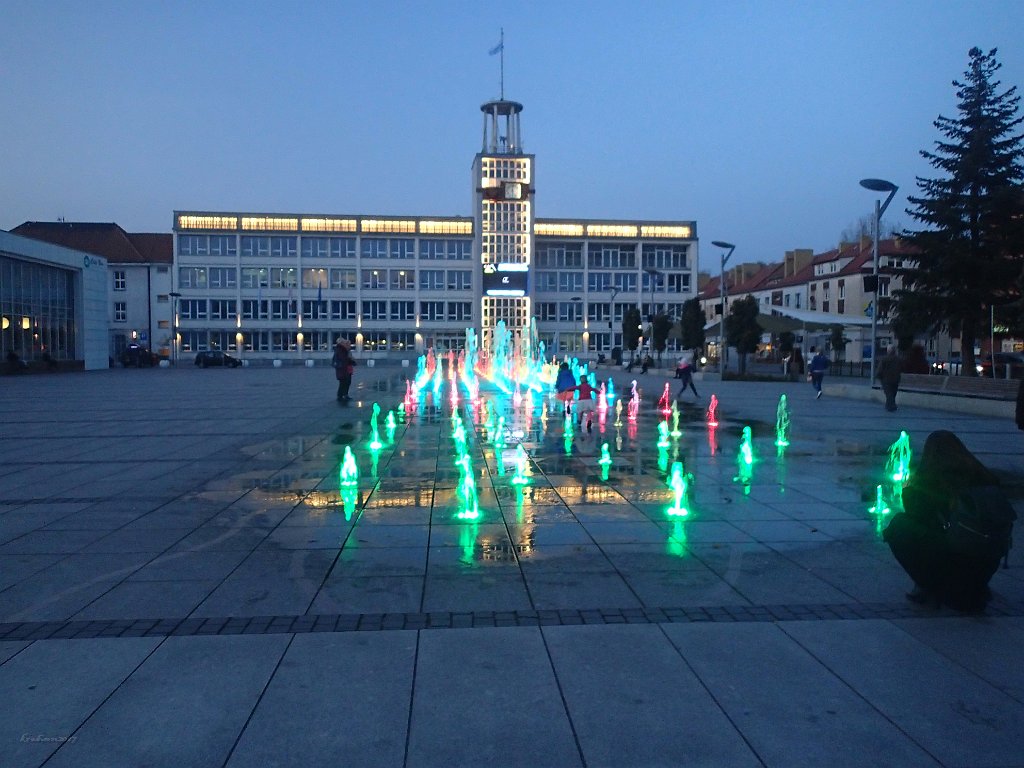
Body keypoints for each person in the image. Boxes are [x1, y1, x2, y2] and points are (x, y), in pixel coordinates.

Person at [883, 430, 1011, 611]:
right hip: (989, 554)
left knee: (899, 526)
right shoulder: (983, 475)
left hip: (956, 551)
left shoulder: (932, 478)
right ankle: (975, 587)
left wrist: (908, 489)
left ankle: (930, 586)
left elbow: (917, 513)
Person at [877, 347, 903, 412]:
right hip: (895, 379)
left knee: (888, 393)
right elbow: (902, 368)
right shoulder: (898, 359)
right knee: (893, 392)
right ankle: (889, 405)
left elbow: (880, 369)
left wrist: (879, 376)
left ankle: (891, 406)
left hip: (886, 379)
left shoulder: (884, 359)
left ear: (888, 351)